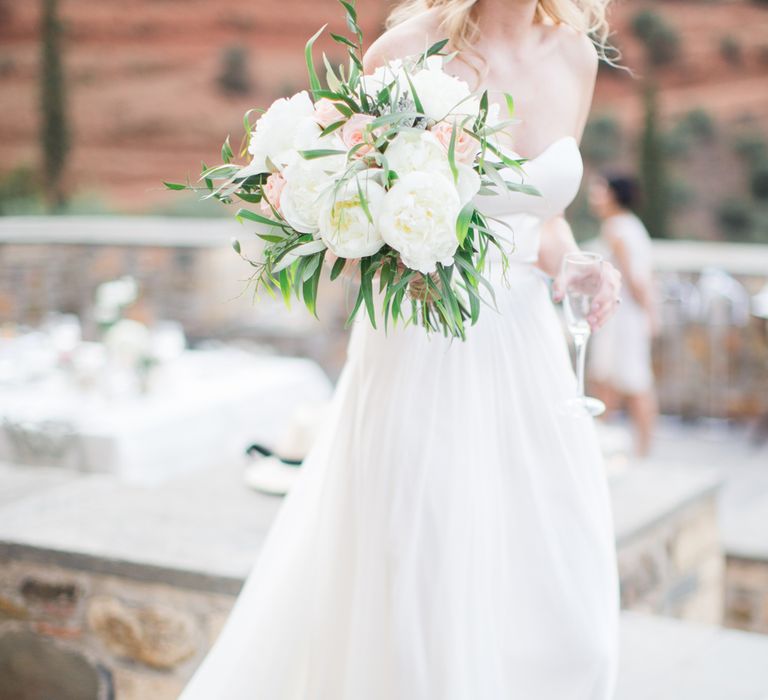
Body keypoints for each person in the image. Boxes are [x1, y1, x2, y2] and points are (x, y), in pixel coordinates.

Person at [179, 1, 623, 698]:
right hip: (421, 350)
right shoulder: (404, 52)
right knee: (424, 581)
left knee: (563, 598)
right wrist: (391, 251)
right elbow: (351, 229)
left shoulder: (575, 55)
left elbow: (546, 218)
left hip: (528, 357)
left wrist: (572, 265)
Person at [588, 174, 658, 457]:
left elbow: (633, 278)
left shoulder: (617, 229)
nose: (596, 196)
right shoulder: (630, 226)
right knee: (612, 379)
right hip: (625, 313)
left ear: (614, 195)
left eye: (601, 190)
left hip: (624, 316)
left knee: (633, 380)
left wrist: (648, 312)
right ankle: (614, 444)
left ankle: (636, 448)